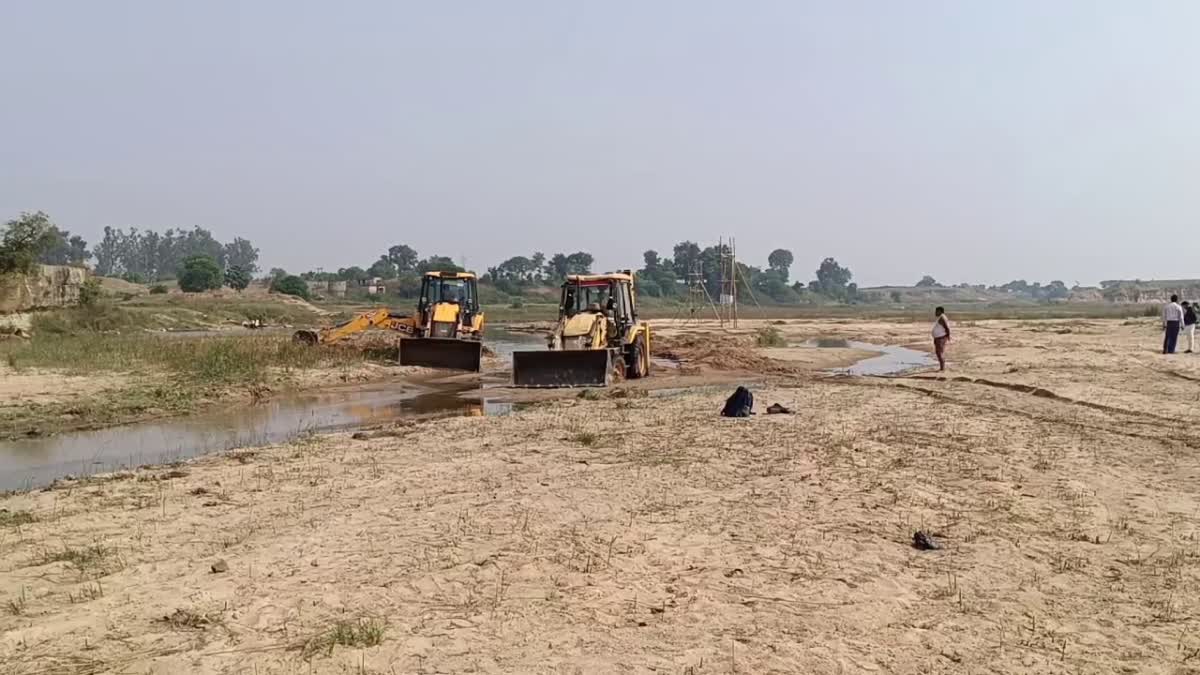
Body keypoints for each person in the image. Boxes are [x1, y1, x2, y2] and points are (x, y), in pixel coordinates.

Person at [932, 306, 951, 371]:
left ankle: (942, 368)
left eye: (936, 311)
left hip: (941, 338)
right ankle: (942, 367)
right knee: (939, 352)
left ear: (940, 311)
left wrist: (948, 335)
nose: (935, 313)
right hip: (939, 337)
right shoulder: (941, 317)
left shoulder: (942, 318)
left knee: (939, 352)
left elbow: (947, 327)